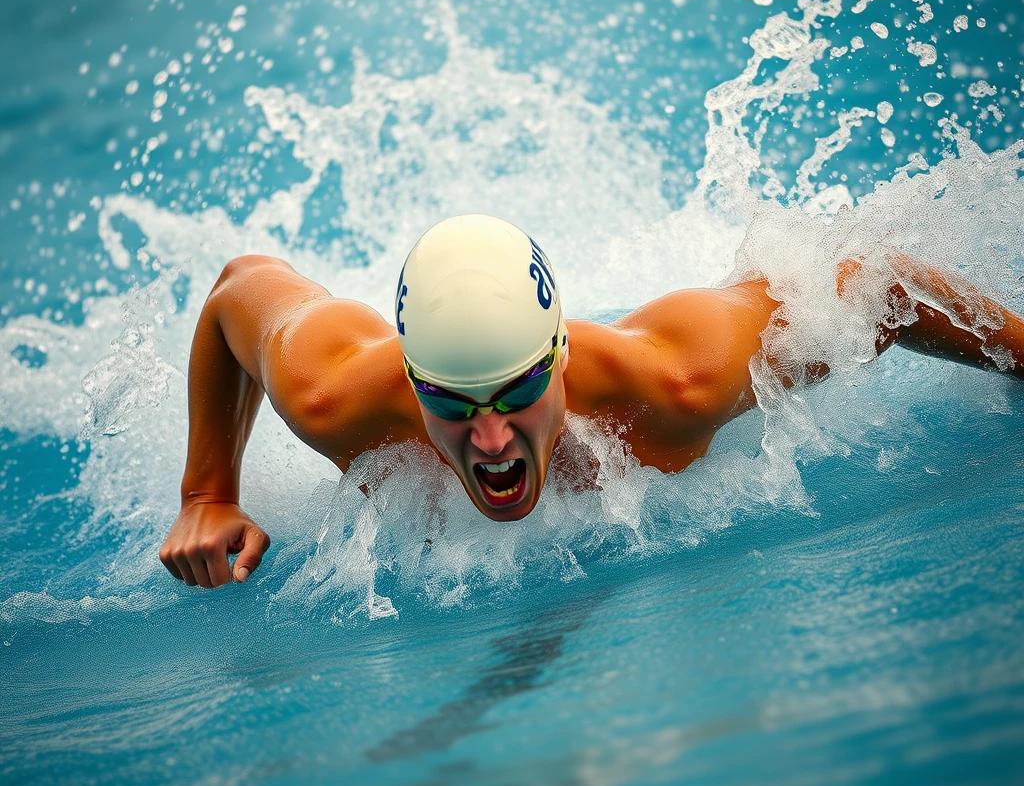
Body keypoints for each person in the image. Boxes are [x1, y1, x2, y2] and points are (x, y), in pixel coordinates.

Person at [160, 214, 1024, 588]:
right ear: (413, 382)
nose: (491, 437)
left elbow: (883, 286)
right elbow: (241, 288)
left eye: (518, 393)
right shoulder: (336, 395)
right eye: (453, 404)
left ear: (559, 358)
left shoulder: (677, 388)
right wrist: (208, 494)